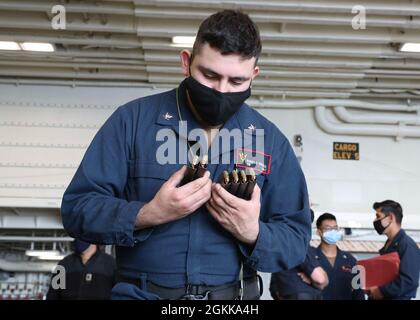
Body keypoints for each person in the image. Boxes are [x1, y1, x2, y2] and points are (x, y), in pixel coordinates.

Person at [61, 10, 311, 300]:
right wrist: (146, 214)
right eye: (210, 75)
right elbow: (77, 209)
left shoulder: (270, 141)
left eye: (237, 82)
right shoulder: (132, 122)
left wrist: (253, 232)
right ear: (186, 62)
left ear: (254, 75)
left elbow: (295, 240)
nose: (221, 91)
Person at [367, 200, 420, 300]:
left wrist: (381, 291)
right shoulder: (389, 244)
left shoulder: (407, 245)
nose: (375, 220)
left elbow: (409, 281)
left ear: (390, 218)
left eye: (378, 216)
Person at [270, 210, 328, 300]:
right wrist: (314, 281)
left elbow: (274, 289)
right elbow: (320, 279)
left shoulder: (281, 244)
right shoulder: (299, 243)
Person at [315, 213, 365, 300]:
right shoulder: (310, 258)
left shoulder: (350, 260)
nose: (332, 231)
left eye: (335, 228)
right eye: (328, 228)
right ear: (319, 232)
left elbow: (358, 291)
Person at [46, 239, 116, 300]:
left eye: (83, 235)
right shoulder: (63, 265)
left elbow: (118, 295)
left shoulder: (110, 264)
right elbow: (52, 295)